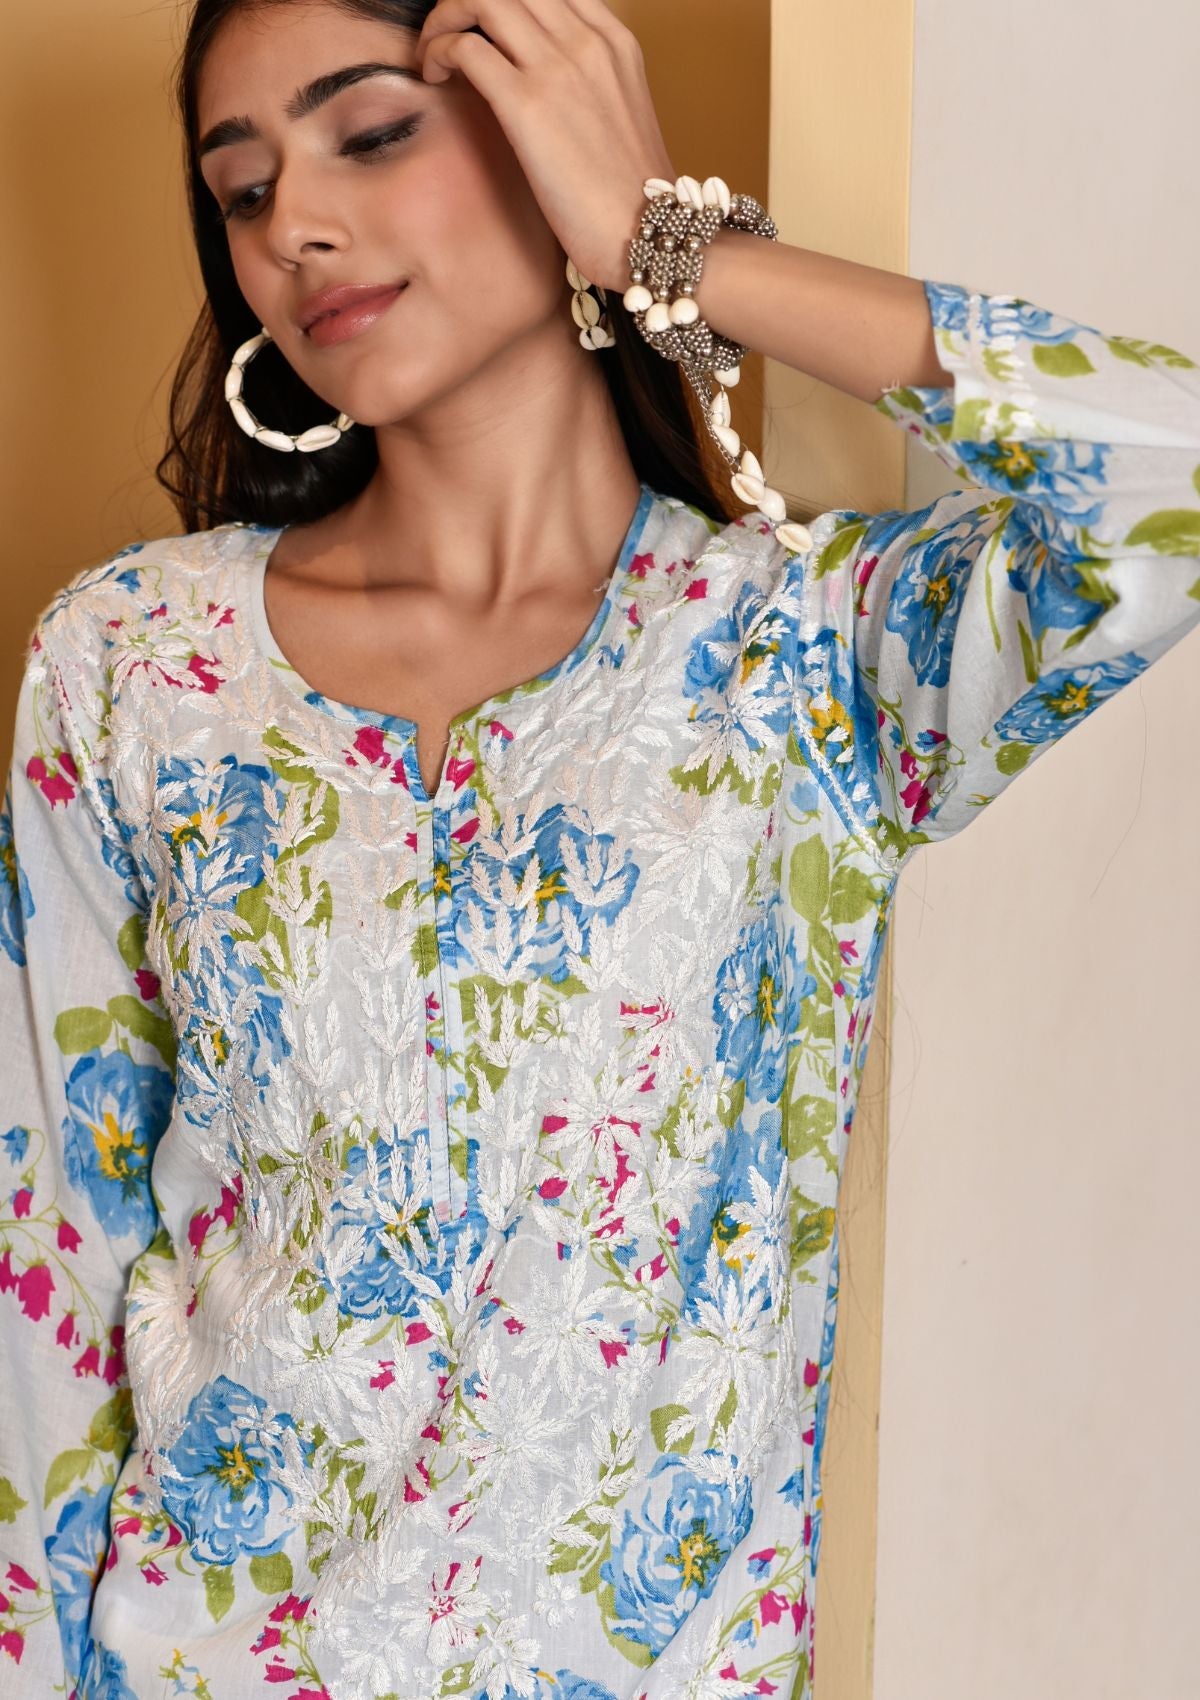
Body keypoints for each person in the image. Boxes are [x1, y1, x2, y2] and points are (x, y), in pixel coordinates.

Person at [1, 0, 1198, 1696]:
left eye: (372, 132)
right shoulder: (132, 665)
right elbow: (46, 1268)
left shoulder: (805, 656)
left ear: (546, 126)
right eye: (243, 188)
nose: (296, 228)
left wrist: (676, 249)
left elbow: (1167, 486)